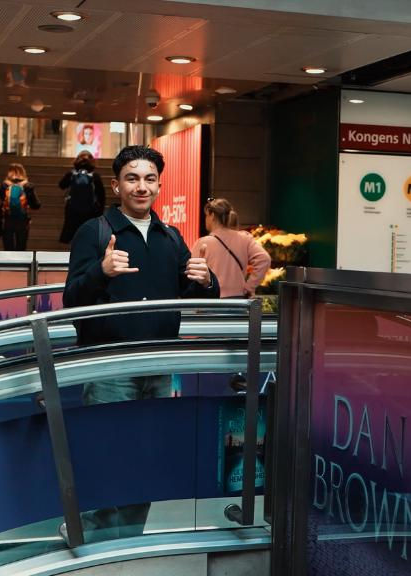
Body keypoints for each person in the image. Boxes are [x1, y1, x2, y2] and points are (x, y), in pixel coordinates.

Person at [62, 144, 219, 543]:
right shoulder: (95, 232)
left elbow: (193, 292)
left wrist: (207, 281)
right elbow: (72, 300)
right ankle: (93, 536)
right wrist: (101, 270)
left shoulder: (170, 237)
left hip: (158, 366)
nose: (141, 186)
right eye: (132, 178)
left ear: (159, 185)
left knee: (146, 456)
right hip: (110, 366)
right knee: (105, 452)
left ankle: (130, 538)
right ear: (116, 185)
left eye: (150, 179)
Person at [192, 197, 271, 298]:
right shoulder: (245, 238)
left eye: (206, 216)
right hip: (238, 302)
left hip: (211, 303)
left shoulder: (202, 243)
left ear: (212, 215)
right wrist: (249, 287)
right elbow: (265, 259)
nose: (205, 219)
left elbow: (192, 276)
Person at [0, 163, 40, 251]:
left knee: (8, 248)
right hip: (23, 221)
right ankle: (21, 263)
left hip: (7, 220)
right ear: (23, 173)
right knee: (21, 247)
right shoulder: (28, 186)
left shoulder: (3, 186)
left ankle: (9, 263)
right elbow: (36, 205)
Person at [58, 151, 105, 244]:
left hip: (73, 209)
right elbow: (101, 195)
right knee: (89, 233)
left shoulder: (72, 174)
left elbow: (61, 185)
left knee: (72, 232)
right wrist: (100, 210)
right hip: (91, 211)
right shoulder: (95, 176)